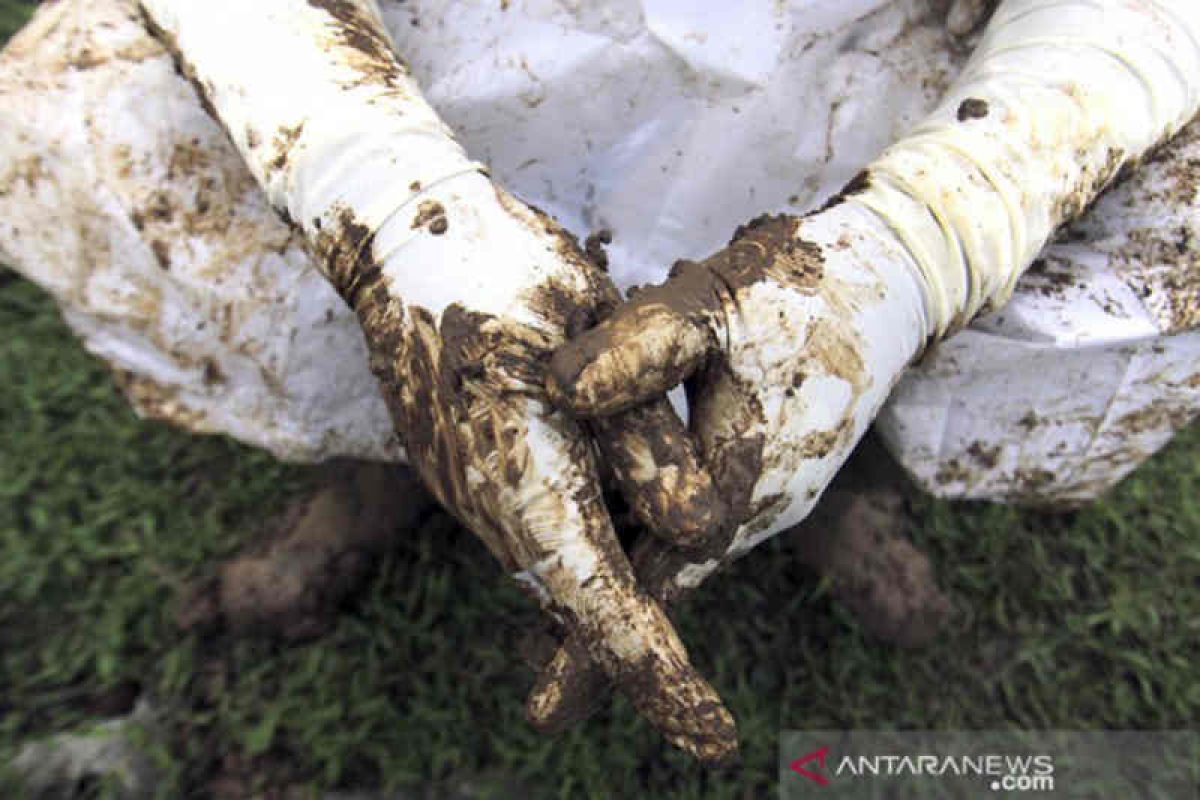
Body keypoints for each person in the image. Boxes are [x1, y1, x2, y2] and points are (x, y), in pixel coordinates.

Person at [1, 0, 1196, 760]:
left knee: (1161, 218)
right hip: (435, 44)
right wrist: (387, 206)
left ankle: (824, 473)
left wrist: (916, 247)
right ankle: (397, 468)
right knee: (95, 99)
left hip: (871, 58)